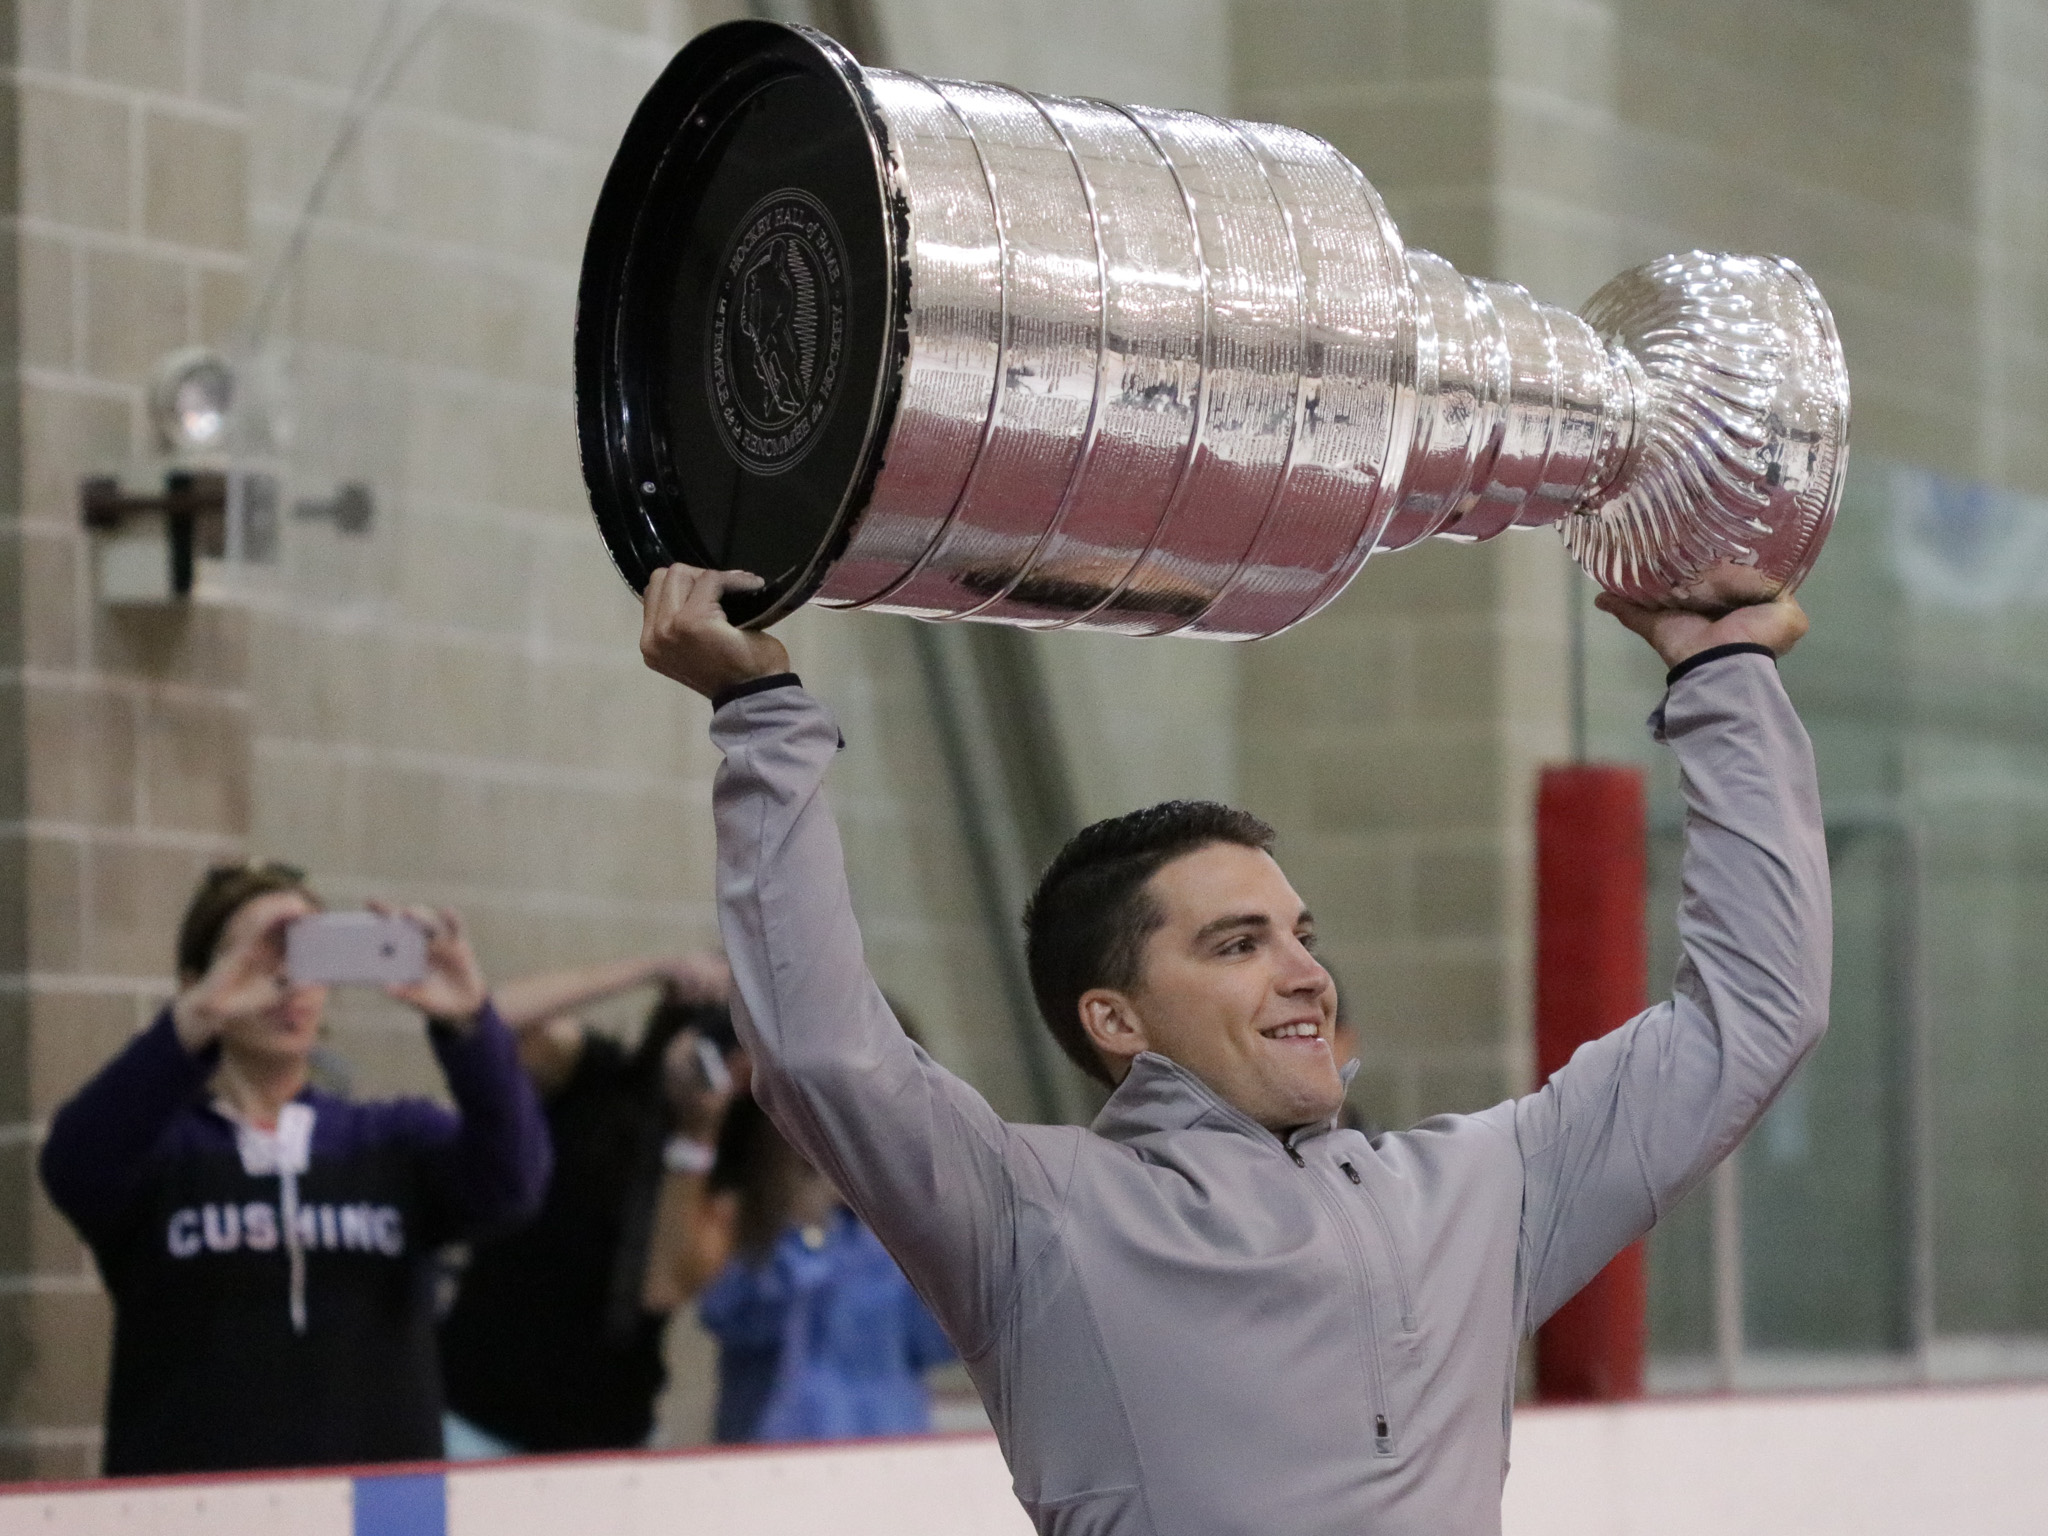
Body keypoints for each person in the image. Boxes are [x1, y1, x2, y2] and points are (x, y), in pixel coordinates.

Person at [635, 561, 1829, 1534]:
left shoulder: (1481, 1191)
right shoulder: (1036, 1220)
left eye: (1299, 934)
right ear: (1116, 1020)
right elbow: (825, 1056)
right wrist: (763, 723)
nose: (1305, 971)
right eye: (1235, 944)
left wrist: (1721, 676)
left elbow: (1755, 1008)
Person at [39, 863, 551, 1476]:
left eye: (310, 954)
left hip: (380, 1507)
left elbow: (514, 1185)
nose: (290, 982)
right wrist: (195, 1020)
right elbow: (72, 1166)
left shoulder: (392, 1140)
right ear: (196, 981)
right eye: (263, 957)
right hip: (194, 1507)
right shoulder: (158, 1151)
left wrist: (473, 1025)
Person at [436, 953, 738, 1456]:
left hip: (608, 1433)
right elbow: (486, 1018)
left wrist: (695, 1135)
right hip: (477, 1408)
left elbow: (660, 1288)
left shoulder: (728, 1164)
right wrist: (645, 968)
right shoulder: (590, 1073)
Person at [696, 1092, 955, 1444]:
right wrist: (810, 1231)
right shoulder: (756, 1242)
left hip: (892, 1454)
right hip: (777, 1461)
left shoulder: (888, 1247)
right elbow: (734, 1318)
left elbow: (939, 1343)